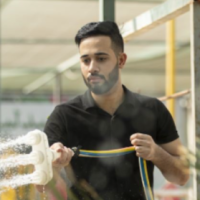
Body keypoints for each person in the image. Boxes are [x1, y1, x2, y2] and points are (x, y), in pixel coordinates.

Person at [43, 21, 189, 200]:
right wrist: (54, 164)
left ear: (121, 60)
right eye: (85, 60)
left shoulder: (152, 109)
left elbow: (182, 176)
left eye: (101, 58)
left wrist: (156, 153)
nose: (92, 68)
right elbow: (39, 186)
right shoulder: (64, 115)